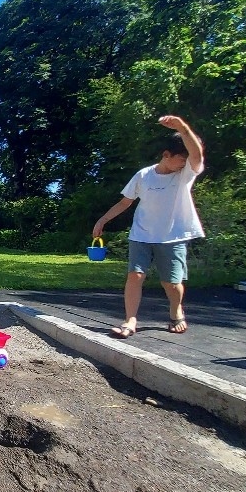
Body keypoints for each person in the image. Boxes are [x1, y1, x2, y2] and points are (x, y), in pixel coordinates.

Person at [92, 115, 205, 339]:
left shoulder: (185, 175)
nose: (184, 164)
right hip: (141, 235)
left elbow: (197, 155)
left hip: (173, 236)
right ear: (166, 155)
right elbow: (125, 202)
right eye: (181, 160)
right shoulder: (143, 176)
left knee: (171, 283)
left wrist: (183, 128)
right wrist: (102, 219)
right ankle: (130, 320)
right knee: (135, 275)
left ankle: (176, 310)